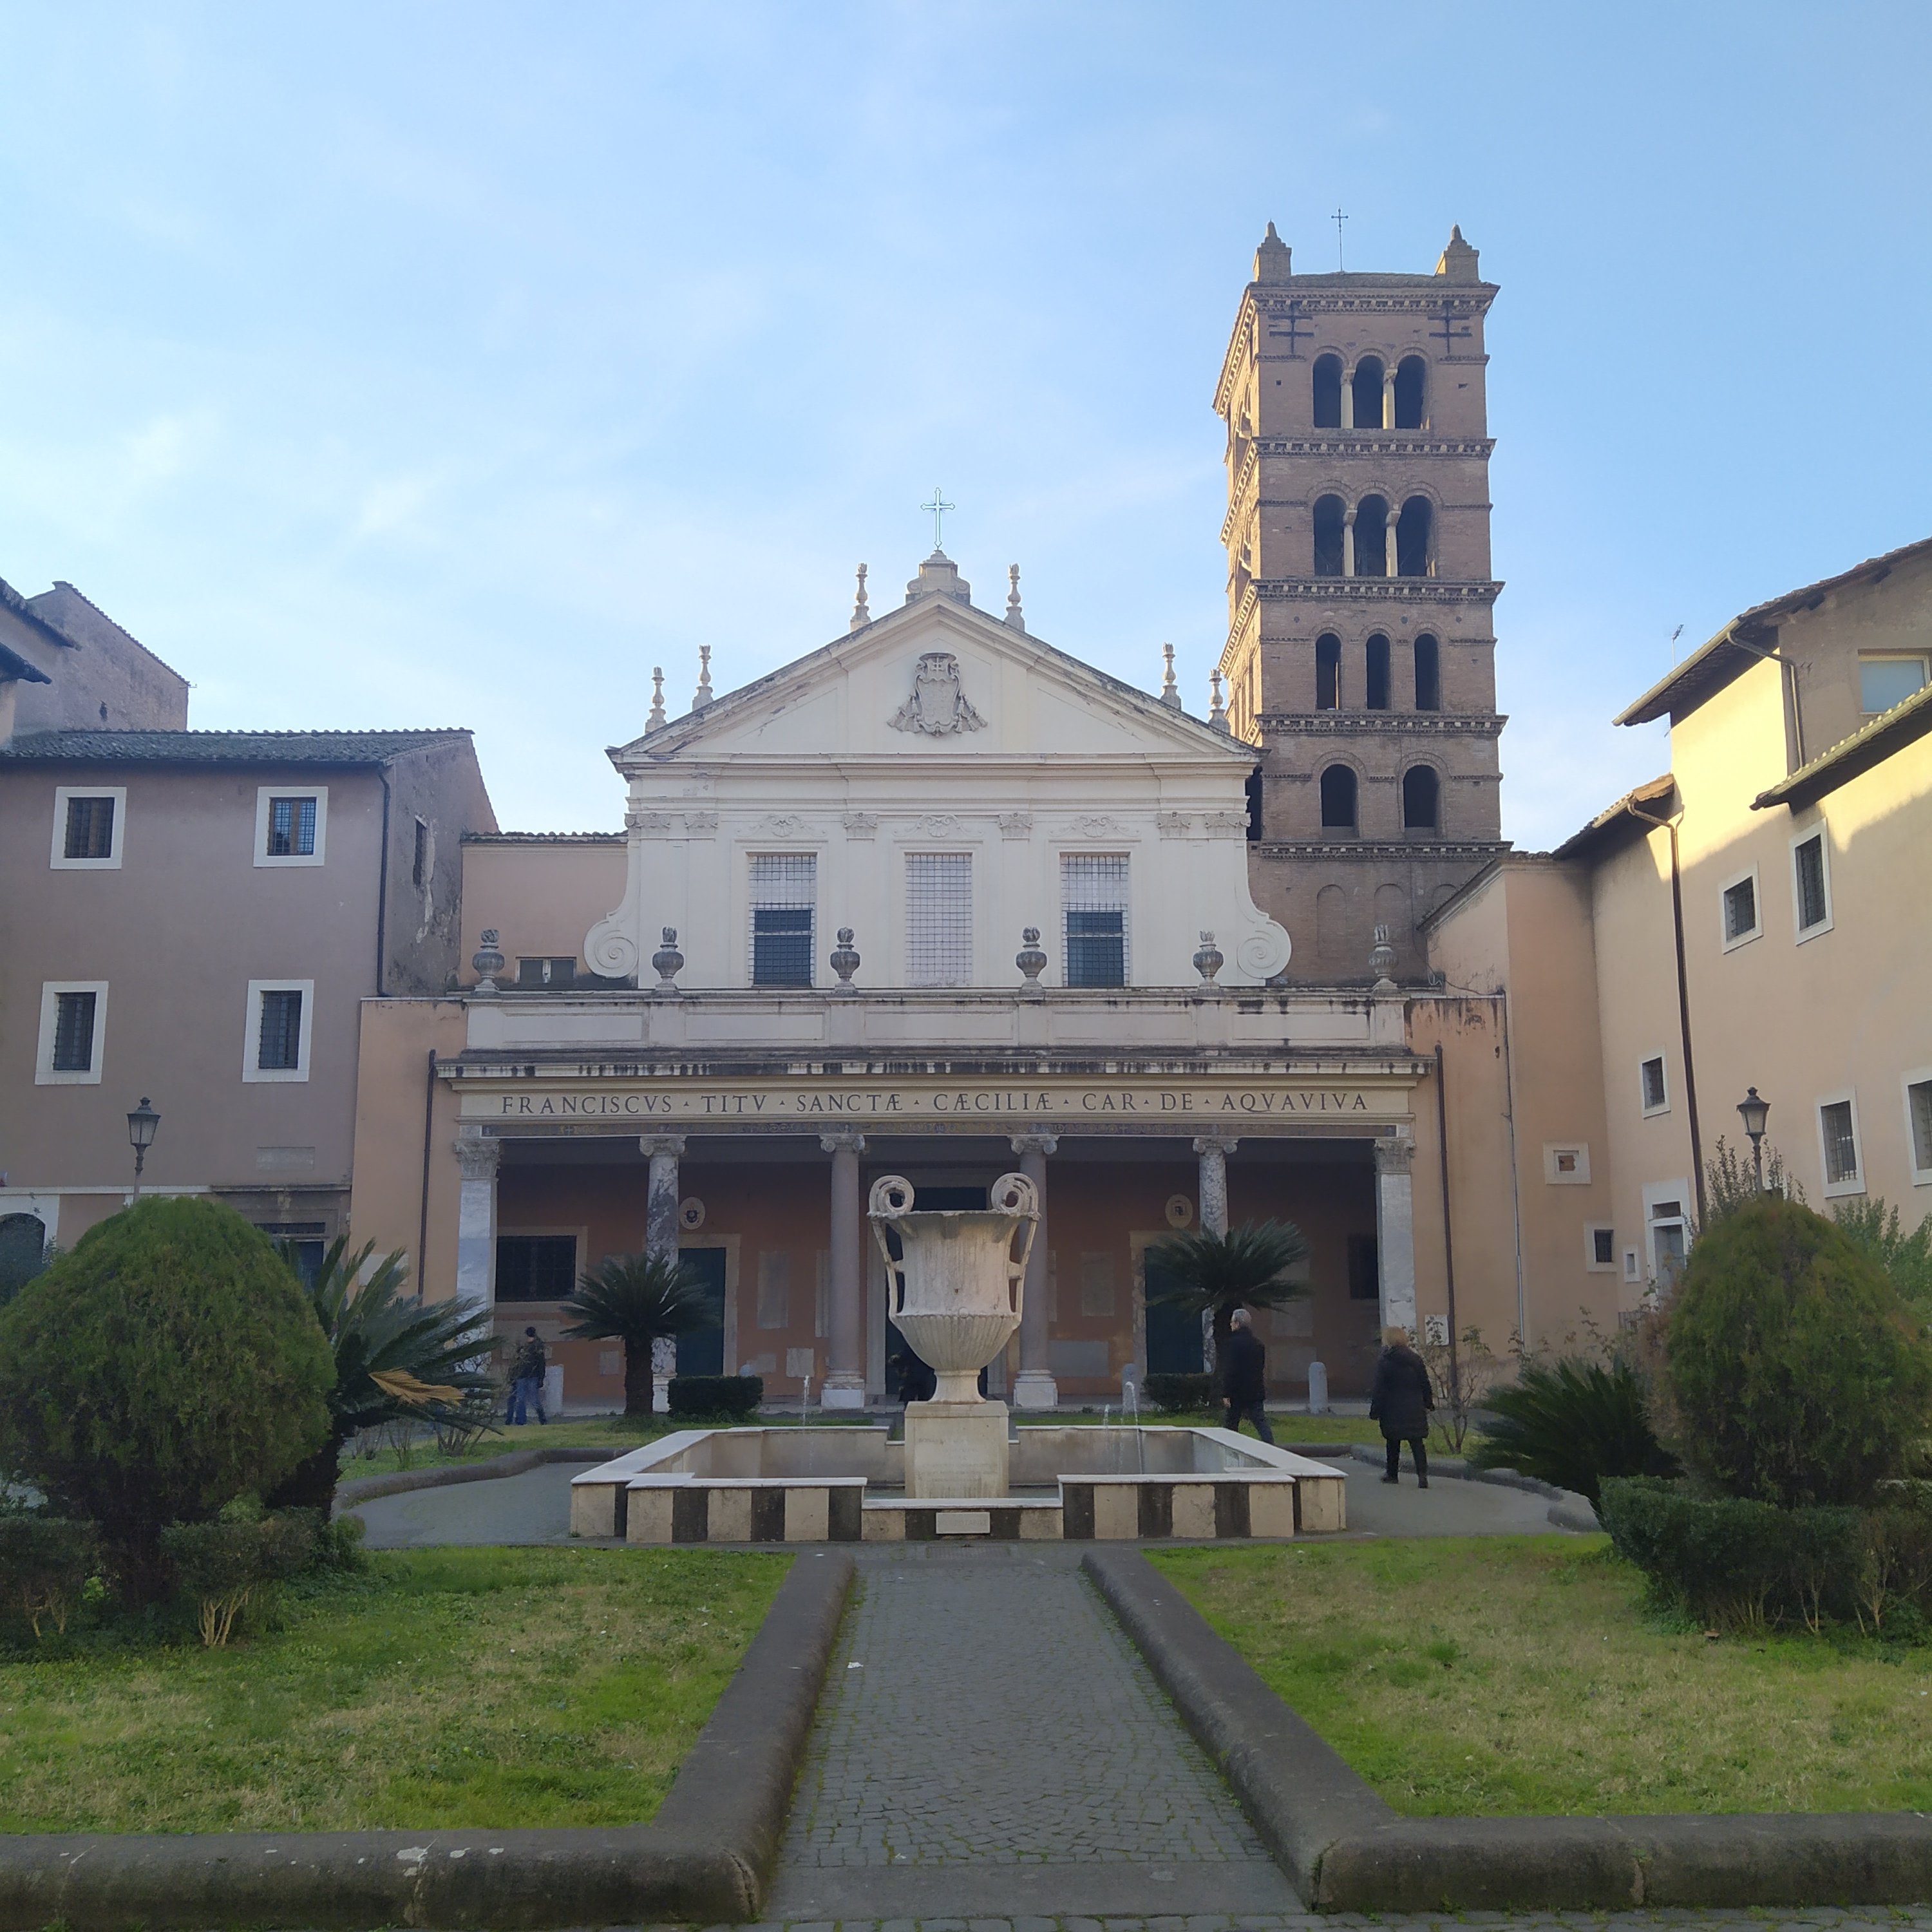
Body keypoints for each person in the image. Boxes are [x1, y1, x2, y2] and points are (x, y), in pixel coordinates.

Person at [1368, 1325, 1432, 1486]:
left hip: (1392, 1409)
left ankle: (1392, 1474)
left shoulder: (1385, 1361)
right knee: (1417, 1444)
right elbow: (1425, 1383)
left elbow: (1379, 1388)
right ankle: (1422, 1476)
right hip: (1414, 1407)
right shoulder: (1415, 1359)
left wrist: (1375, 1411)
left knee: (1392, 1443)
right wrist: (1428, 1403)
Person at [1221, 1307, 1274, 1443]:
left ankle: (1231, 1447)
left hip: (1236, 1392)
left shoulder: (1232, 1344)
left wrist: (1226, 1393)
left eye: (1232, 1322)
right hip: (1255, 1390)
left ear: (1237, 1323)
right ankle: (1270, 1446)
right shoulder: (1258, 1344)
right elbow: (1260, 1367)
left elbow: (1230, 1370)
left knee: (1231, 1423)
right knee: (1260, 1422)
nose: (1230, 1324)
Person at [507, 1325, 549, 1426]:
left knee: (532, 1400)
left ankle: (541, 1419)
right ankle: (522, 1421)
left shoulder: (537, 1347)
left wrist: (541, 1378)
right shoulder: (524, 1347)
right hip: (522, 1376)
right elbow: (516, 1362)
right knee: (522, 1399)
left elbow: (541, 1364)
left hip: (531, 1376)